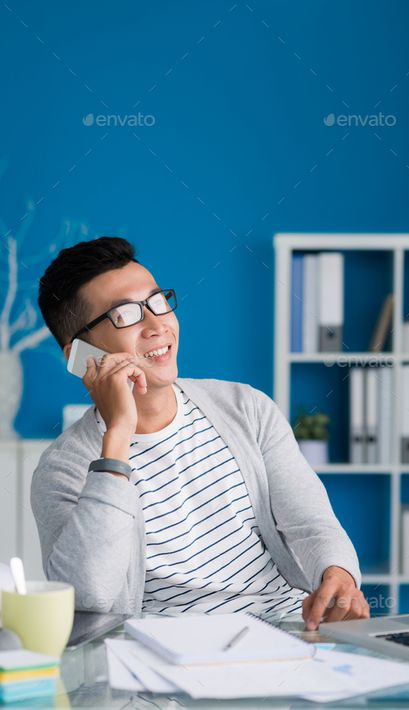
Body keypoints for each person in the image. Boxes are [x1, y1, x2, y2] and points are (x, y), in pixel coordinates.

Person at [32, 236, 369, 629]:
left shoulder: (247, 408)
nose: (158, 325)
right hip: (160, 661)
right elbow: (88, 597)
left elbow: (311, 524)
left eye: (157, 301)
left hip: (286, 632)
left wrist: (338, 574)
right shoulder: (62, 470)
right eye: (125, 315)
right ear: (79, 356)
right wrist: (118, 436)